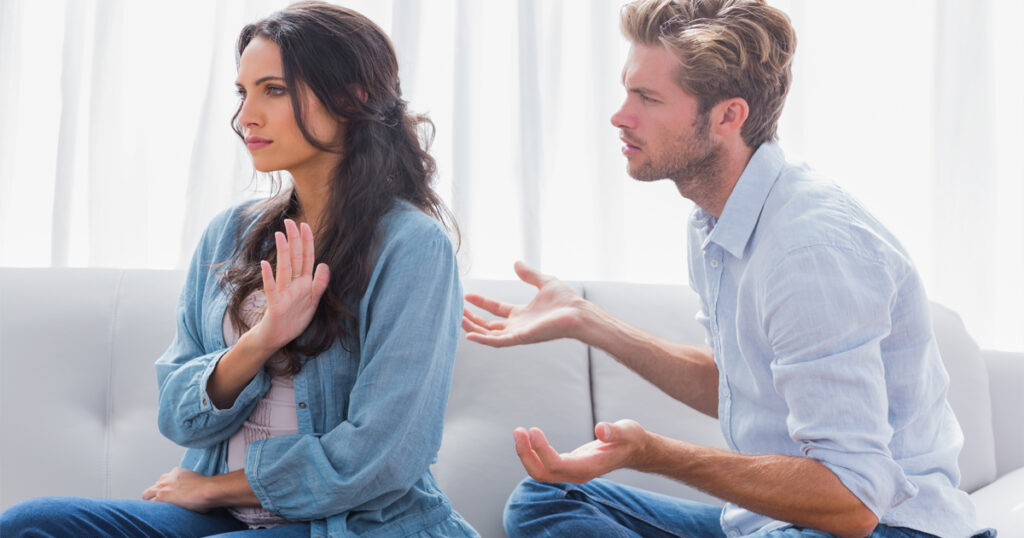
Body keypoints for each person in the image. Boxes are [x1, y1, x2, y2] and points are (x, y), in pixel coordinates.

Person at [461, 1, 993, 537]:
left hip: (885, 526)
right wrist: (587, 320)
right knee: (547, 500)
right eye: (627, 90)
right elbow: (740, 384)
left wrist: (654, 453)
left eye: (647, 97)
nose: (620, 115)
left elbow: (854, 501)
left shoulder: (810, 249)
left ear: (727, 116)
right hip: (774, 522)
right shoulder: (719, 221)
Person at [1, 2, 478, 537]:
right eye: (243, 92)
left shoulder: (412, 247)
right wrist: (262, 340)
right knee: (30, 524)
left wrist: (214, 488)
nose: (245, 115)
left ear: (352, 97)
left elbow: (384, 451)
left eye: (273, 89)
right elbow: (177, 413)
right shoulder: (229, 234)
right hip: (227, 520)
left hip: (349, 523)